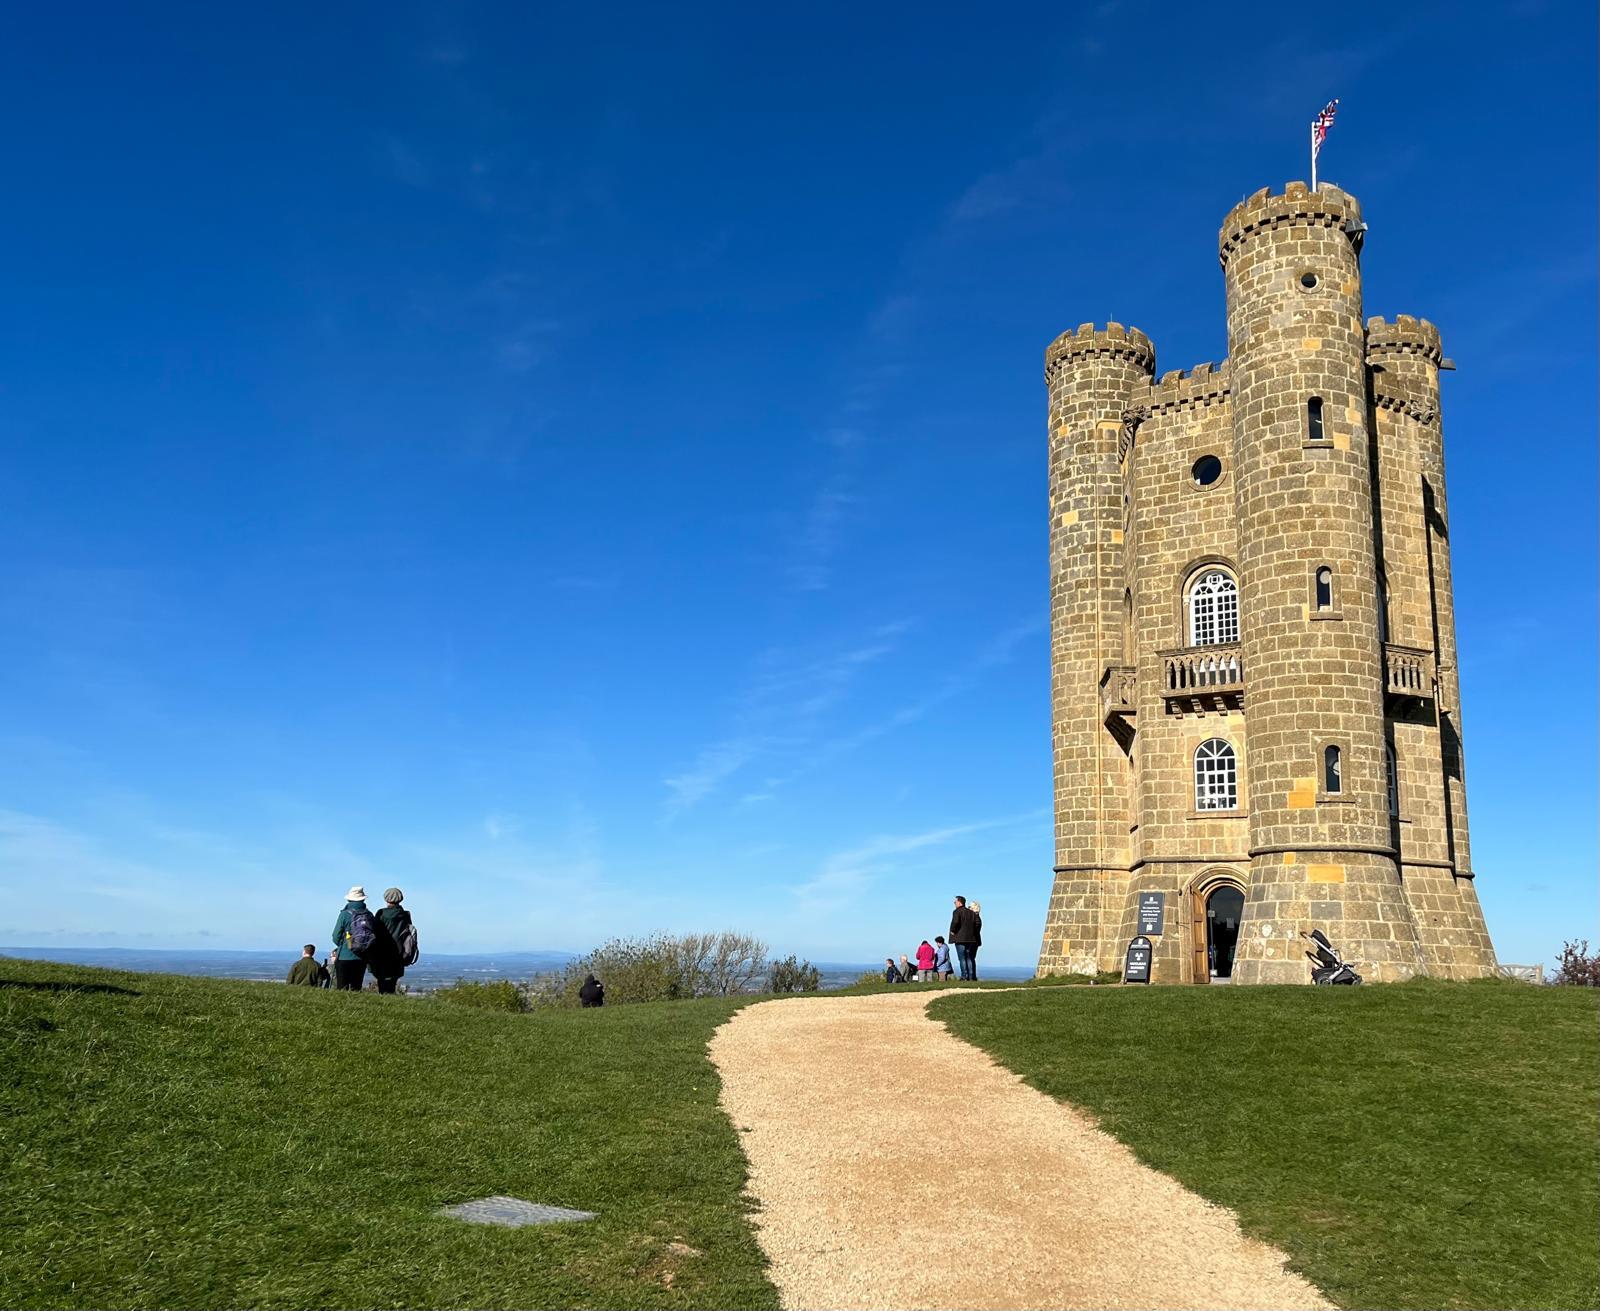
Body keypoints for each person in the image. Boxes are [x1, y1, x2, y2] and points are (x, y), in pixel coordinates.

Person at [331, 885, 374, 992]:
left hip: (345, 955)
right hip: (362, 957)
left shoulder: (344, 914)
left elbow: (336, 936)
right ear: (363, 899)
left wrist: (342, 945)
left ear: (349, 899)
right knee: (356, 988)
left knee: (342, 988)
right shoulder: (369, 915)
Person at [372, 887, 414, 996]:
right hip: (400, 952)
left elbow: (375, 931)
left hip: (381, 952)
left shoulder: (381, 913)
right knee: (392, 982)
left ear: (386, 899)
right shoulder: (405, 915)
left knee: (382, 981)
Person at [949, 895, 980, 981]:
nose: (954, 903)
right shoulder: (971, 913)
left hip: (960, 938)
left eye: (955, 902)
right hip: (970, 938)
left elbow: (955, 922)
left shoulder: (957, 912)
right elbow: (975, 925)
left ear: (959, 902)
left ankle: (964, 976)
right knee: (969, 958)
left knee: (962, 958)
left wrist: (953, 930)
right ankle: (971, 976)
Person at [968, 900, 984, 980]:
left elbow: (975, 930)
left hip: (973, 941)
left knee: (970, 958)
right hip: (974, 940)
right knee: (970, 958)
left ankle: (972, 976)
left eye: (970, 907)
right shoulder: (975, 918)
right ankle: (971, 975)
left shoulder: (976, 918)